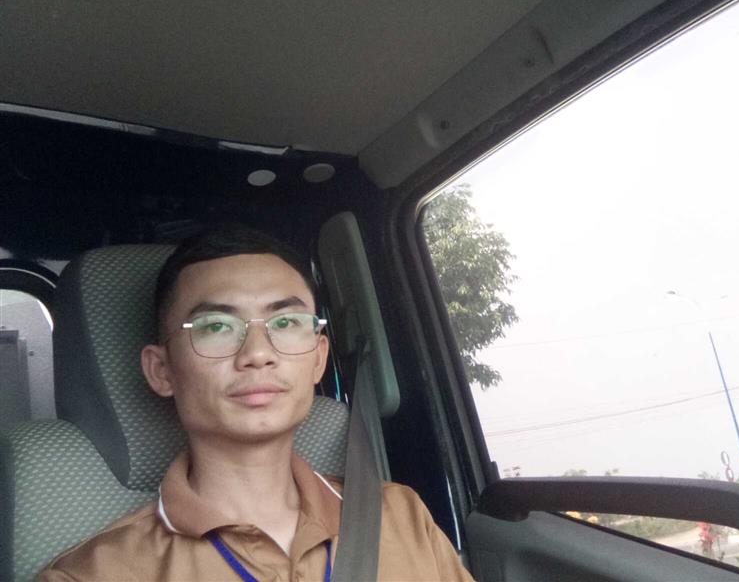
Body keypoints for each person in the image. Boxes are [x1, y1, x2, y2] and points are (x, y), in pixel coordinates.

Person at [38, 224, 475, 581]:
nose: (258, 353)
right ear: (162, 370)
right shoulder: (94, 574)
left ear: (318, 358)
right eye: (215, 326)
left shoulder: (399, 516)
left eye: (285, 322)